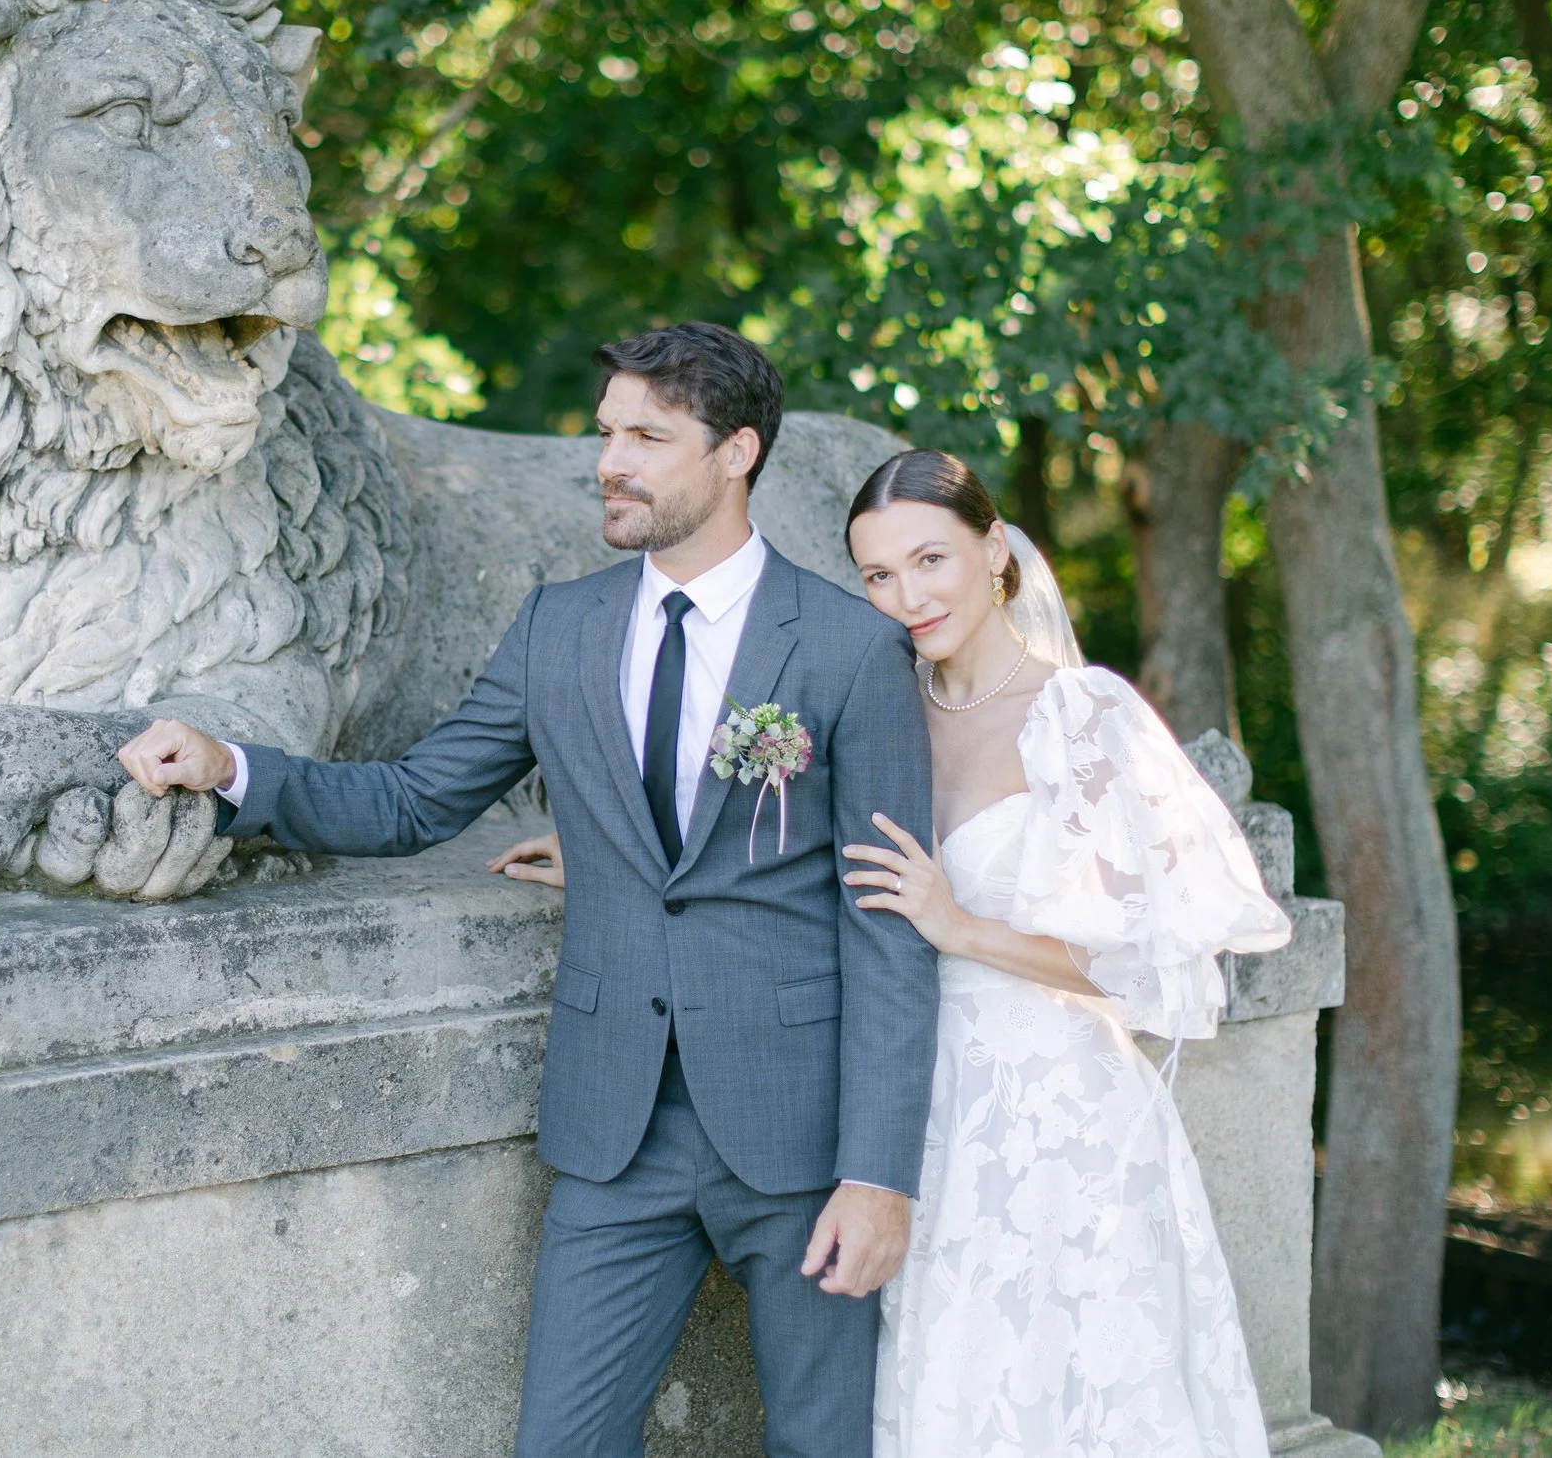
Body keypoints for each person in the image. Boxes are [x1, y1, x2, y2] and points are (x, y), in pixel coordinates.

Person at [117, 322, 940, 1458]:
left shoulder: (851, 647)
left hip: (801, 1136)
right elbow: (413, 800)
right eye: (606, 432)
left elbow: (888, 925)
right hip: (615, 1137)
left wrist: (878, 1173)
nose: (611, 460)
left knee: (819, 1441)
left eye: (649, 436)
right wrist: (233, 768)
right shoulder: (560, 626)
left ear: (738, 450)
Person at [839, 449, 1292, 1458]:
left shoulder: (1081, 716)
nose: (906, 595)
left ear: (994, 550)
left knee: (1084, 1389)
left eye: (929, 559)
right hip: (921, 1111)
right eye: (877, 576)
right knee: (958, 1384)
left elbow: (1145, 964)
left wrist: (960, 927)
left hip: (1065, 1119)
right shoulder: (878, 715)